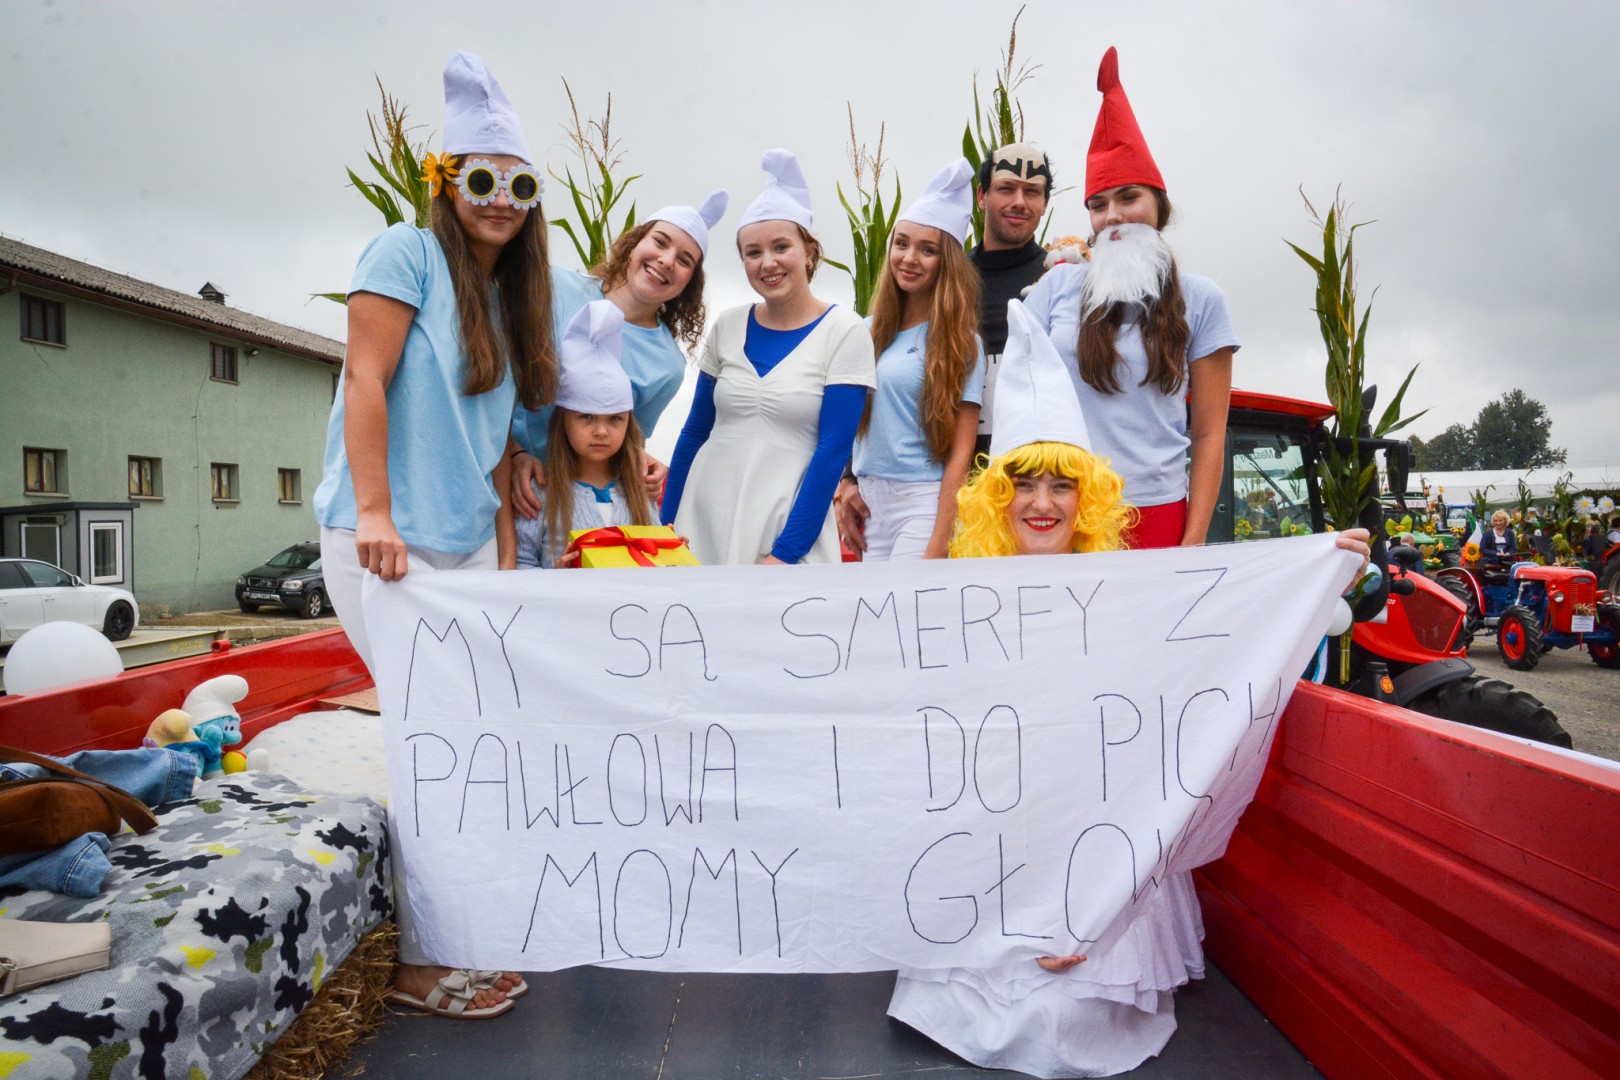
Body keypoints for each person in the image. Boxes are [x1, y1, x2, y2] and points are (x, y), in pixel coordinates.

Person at [889, 299, 1371, 1078]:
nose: (1042, 504)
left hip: (1094, 830)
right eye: (1023, 484)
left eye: (1061, 486)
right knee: (975, 1003)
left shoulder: (1129, 589)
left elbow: (1225, 632)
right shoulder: (960, 593)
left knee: (1064, 1016)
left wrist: (1321, 562)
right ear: (993, 497)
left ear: (1090, 499)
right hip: (994, 832)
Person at [311, 52, 549, 1020]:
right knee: (429, 744)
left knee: (467, 742)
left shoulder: (508, 296)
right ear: (447, 185)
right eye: (479, 180)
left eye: (519, 184)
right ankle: (417, 959)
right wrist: (374, 512)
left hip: (462, 551)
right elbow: (364, 378)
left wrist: (498, 551)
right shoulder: (402, 252)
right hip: (386, 543)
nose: (499, 200)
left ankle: (455, 929)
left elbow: (496, 444)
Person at [1022, 47, 1237, 550]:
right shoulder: (1056, 287)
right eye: (1098, 205)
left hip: (1157, 511)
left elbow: (1209, 434)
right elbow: (1022, 401)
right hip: (1060, 511)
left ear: (1158, 206)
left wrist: (1194, 539)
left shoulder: (1202, 299)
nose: (1112, 217)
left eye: (1128, 198)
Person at [660, 149, 876, 565]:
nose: (768, 262)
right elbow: (694, 433)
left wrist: (786, 553)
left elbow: (832, 450)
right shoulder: (727, 325)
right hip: (702, 519)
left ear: (809, 252)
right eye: (752, 252)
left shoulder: (844, 332)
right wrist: (665, 529)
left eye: (781, 247)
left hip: (785, 527)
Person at [510, 189, 728, 512]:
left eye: (684, 261)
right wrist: (514, 454)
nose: (666, 261)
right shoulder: (551, 287)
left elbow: (624, 438)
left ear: (689, 283)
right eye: (660, 242)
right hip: (502, 472)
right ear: (634, 243)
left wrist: (641, 462)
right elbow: (497, 379)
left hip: (566, 505)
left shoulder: (667, 366)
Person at [834, 158, 986, 561]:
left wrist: (939, 539)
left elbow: (960, 453)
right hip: (869, 502)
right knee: (875, 618)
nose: (910, 258)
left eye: (927, 250)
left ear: (947, 262)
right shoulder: (864, 332)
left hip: (922, 502)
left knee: (905, 613)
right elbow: (842, 422)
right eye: (901, 244)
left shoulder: (962, 342)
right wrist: (841, 489)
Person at [508, 301, 653, 569]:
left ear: (628, 424)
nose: (601, 431)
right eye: (586, 417)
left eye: (615, 419)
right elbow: (521, 562)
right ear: (563, 421)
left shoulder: (639, 493)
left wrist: (670, 550)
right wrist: (557, 576)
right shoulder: (541, 494)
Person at [970, 142, 1054, 456]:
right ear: (982, 196)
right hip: (951, 480)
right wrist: (852, 472)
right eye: (1006, 188)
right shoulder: (947, 279)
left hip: (1037, 476)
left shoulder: (1060, 280)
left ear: (1045, 203)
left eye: (1032, 192)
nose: (1019, 202)